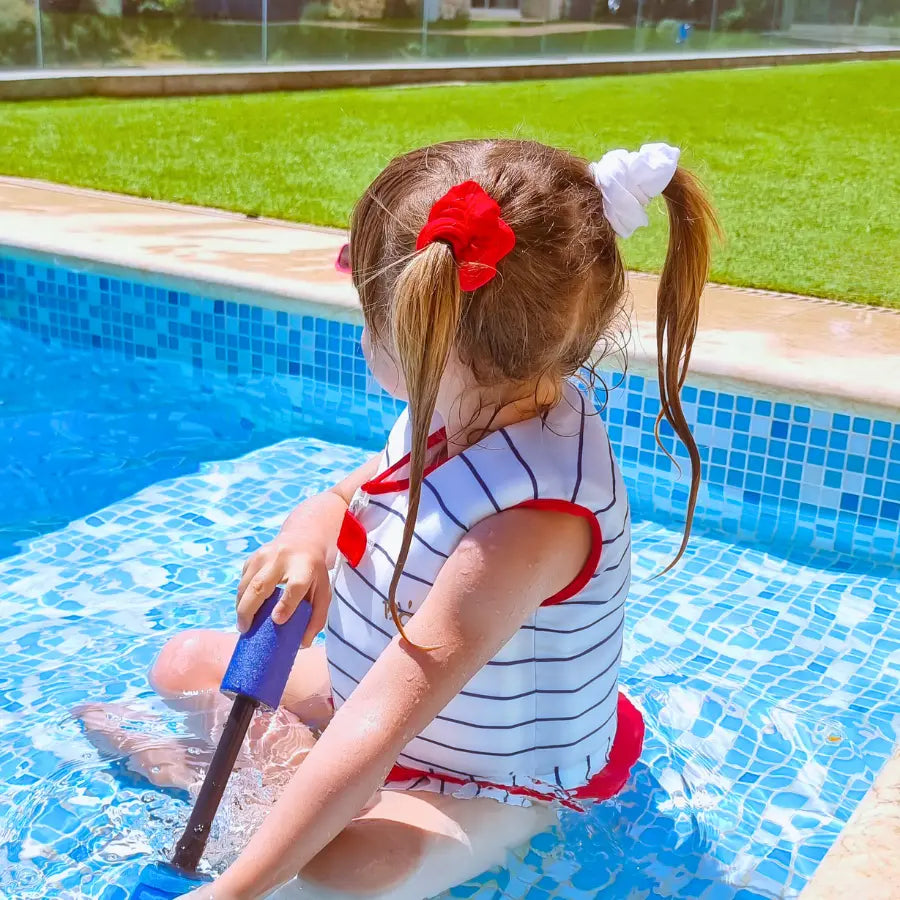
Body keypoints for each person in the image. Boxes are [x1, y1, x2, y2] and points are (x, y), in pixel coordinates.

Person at [85, 138, 717, 899]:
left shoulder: (530, 524)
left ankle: (275, 810)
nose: (360, 339)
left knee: (345, 872)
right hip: (390, 706)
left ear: (422, 333)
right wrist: (304, 542)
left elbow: (375, 733)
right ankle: (285, 797)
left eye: (368, 319)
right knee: (185, 662)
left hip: (496, 778)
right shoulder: (468, 404)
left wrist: (229, 894)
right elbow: (346, 495)